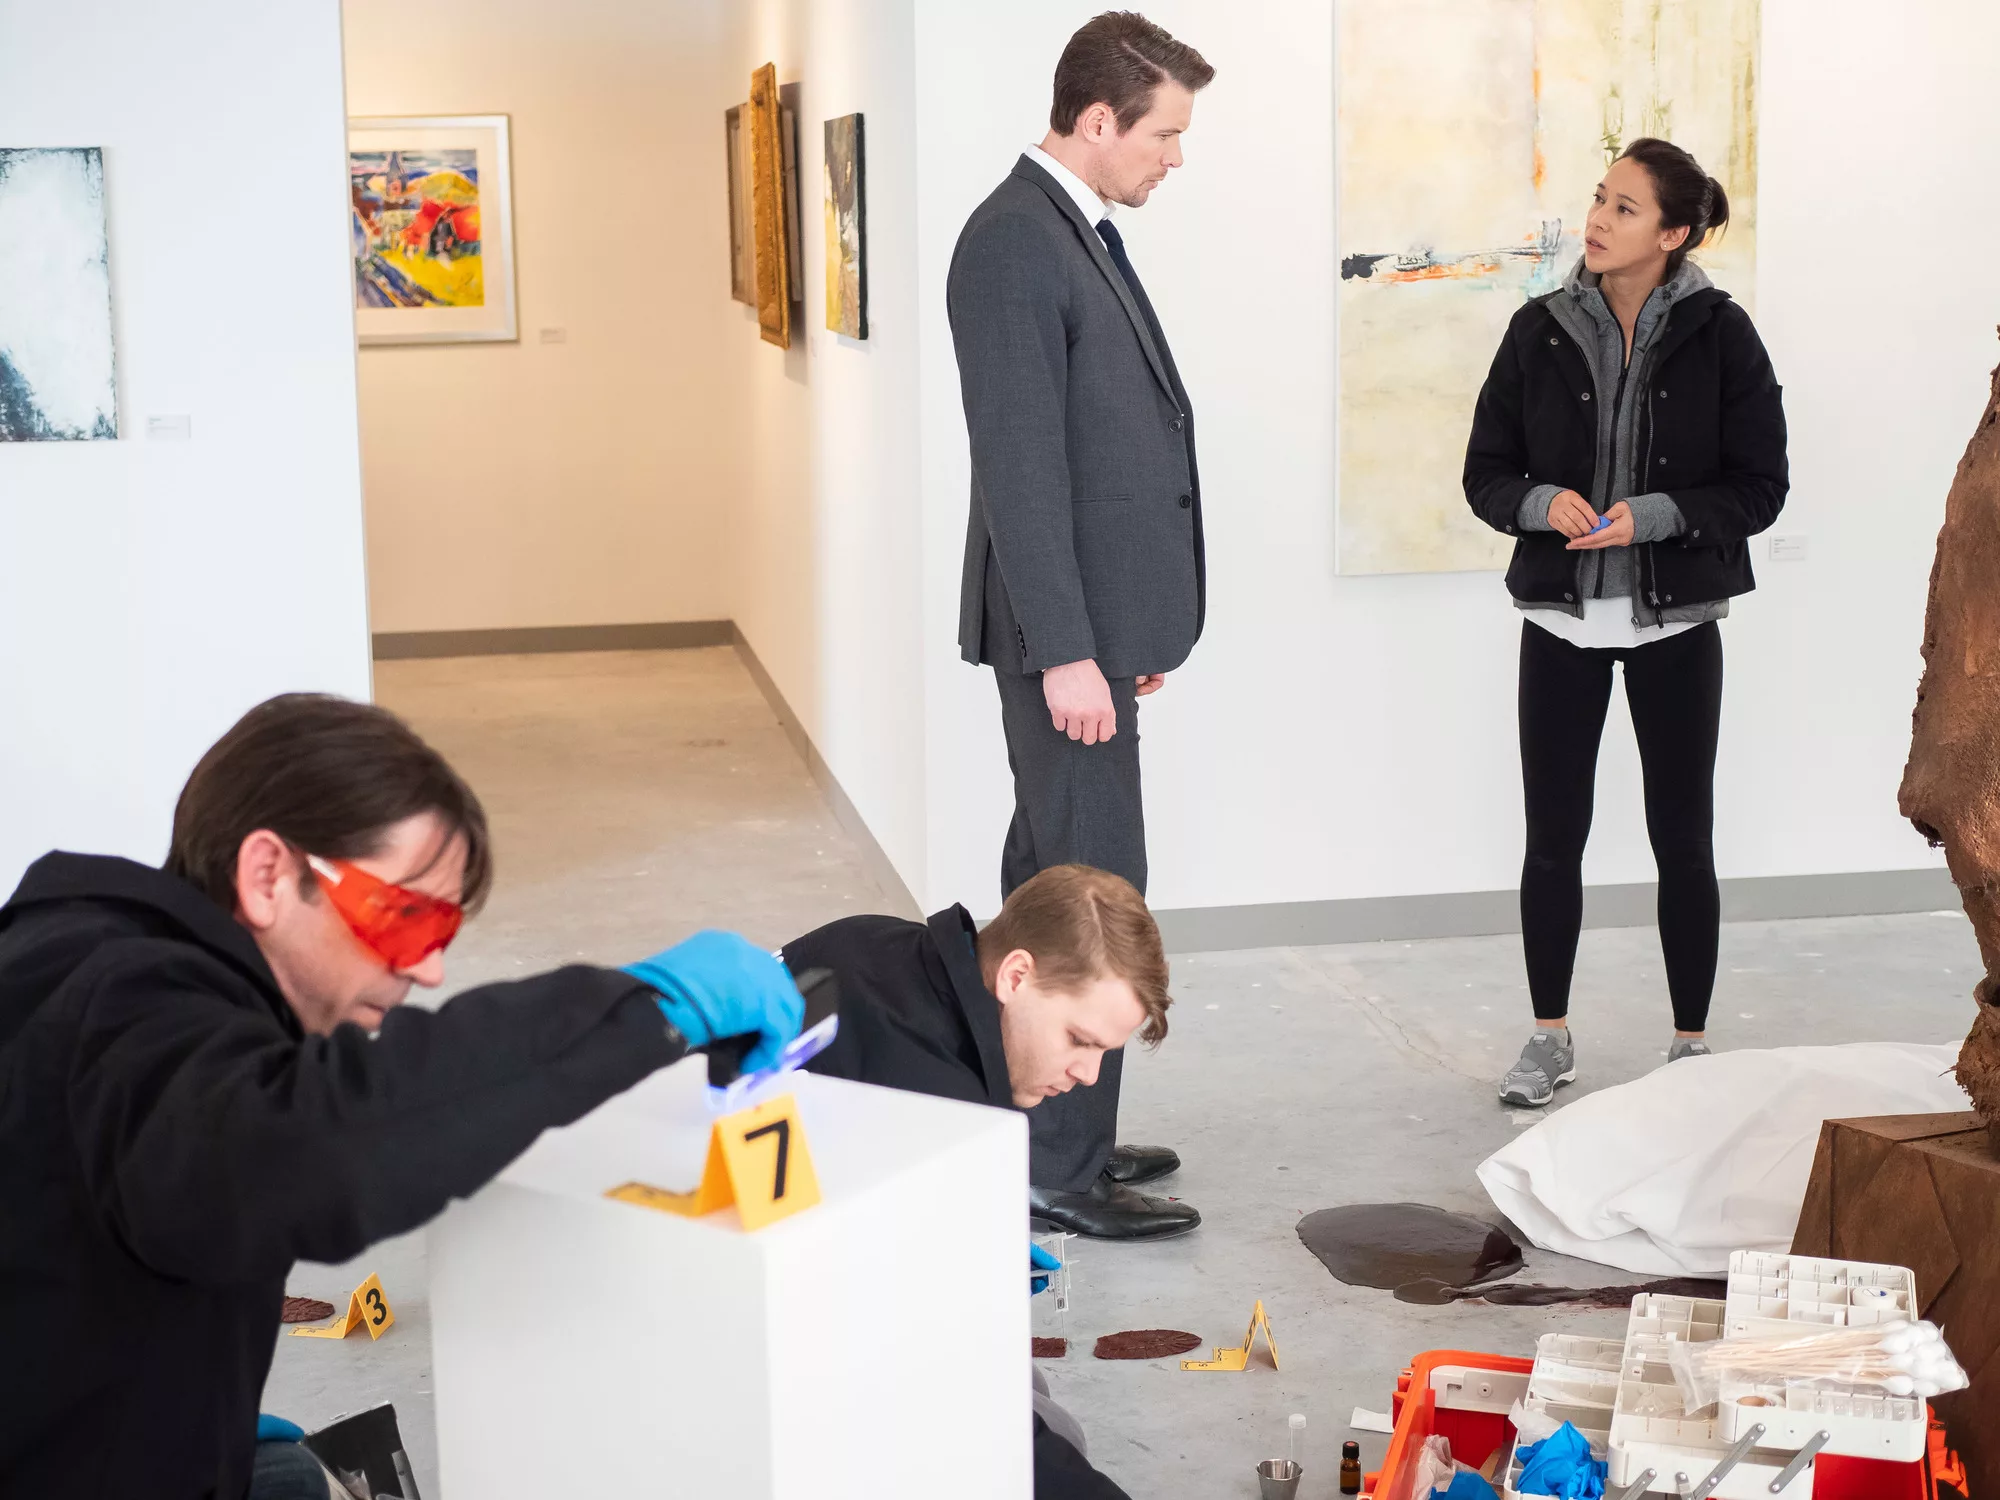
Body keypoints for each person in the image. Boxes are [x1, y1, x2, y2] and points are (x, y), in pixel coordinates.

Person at [0, 694, 804, 1499]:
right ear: (268, 875)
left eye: (441, 935)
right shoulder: (128, 1014)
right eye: (403, 920)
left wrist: (202, 1410)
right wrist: (644, 1007)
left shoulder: (80, 955)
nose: (428, 969)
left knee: (285, 1477)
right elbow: (322, 1147)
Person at [946, 9, 1213, 1240]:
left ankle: (1040, 1121)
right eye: (1162, 134)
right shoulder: (1014, 241)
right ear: (1095, 120)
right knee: (1094, 896)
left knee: (1042, 881)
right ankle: (1059, 1168)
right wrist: (1066, 650)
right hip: (1060, 642)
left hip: (1095, 635)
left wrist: (1119, 636)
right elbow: (1020, 470)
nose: (1174, 157)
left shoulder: (1066, 226)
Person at [1463, 138, 1789, 1107]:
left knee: (1682, 839)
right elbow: (1486, 473)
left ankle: (1689, 1043)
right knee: (1551, 839)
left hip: (1674, 626)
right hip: (1559, 623)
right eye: (1599, 199)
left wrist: (1652, 517)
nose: (1597, 220)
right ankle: (1547, 1037)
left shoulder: (1723, 336)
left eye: (1624, 208)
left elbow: (1759, 486)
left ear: (1673, 233)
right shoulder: (1536, 330)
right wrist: (1541, 502)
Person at [786, 862, 1171, 1500]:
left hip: (734, 1242)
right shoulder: (943, 1120)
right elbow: (955, 1400)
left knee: (1030, 1385)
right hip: (777, 1366)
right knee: (1054, 1431)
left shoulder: (871, 941)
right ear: (1016, 975)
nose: (1088, 1075)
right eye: (1079, 1039)